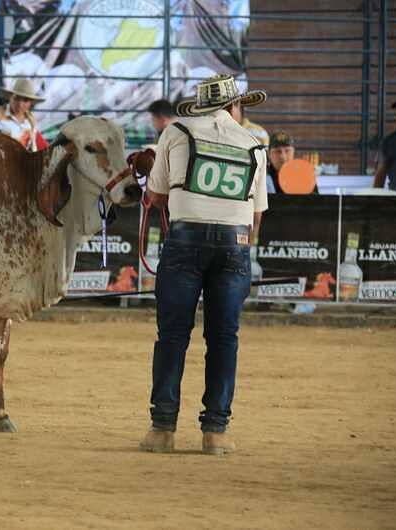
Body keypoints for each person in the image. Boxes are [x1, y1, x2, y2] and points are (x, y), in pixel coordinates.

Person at [139, 74, 268, 455]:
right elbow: (256, 216)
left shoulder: (176, 132)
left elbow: (157, 196)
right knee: (224, 337)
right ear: (234, 107)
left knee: (173, 335)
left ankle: (162, 428)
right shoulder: (253, 143)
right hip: (234, 245)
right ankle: (215, 432)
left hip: (185, 241)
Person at [0, 78, 49, 152]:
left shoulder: (31, 121)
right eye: (16, 98)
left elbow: (43, 147)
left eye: (25, 100)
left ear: (31, 103)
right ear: (10, 97)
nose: (20, 105)